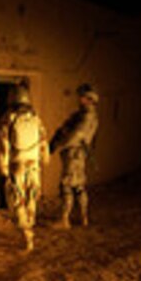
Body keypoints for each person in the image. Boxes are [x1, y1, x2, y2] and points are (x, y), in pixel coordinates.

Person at [0, 81, 48, 251]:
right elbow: (43, 141)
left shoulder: (8, 117)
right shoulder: (35, 117)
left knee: (17, 199)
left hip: (16, 163)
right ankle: (30, 225)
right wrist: (44, 158)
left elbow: (3, 143)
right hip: (34, 164)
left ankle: (26, 234)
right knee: (32, 196)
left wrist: (2, 165)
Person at [50, 83, 100, 229]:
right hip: (79, 153)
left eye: (83, 97)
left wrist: (59, 145)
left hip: (73, 152)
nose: (80, 99)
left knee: (67, 185)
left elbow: (75, 136)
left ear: (90, 99)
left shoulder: (86, 117)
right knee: (79, 186)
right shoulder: (87, 116)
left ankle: (64, 219)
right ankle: (83, 217)